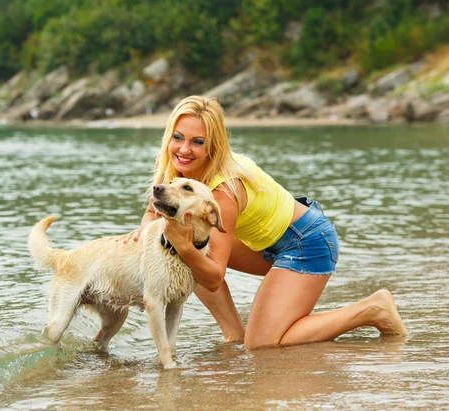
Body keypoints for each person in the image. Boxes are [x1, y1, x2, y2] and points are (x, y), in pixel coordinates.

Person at [119, 95, 408, 349]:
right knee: (182, 247)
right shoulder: (172, 164)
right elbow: (152, 214)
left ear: (214, 146)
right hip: (264, 244)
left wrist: (182, 246)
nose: (184, 149)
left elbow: (213, 277)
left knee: (262, 345)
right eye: (178, 137)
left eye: (198, 142)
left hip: (307, 241)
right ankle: (233, 334)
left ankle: (372, 309)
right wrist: (148, 235)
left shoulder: (225, 191)